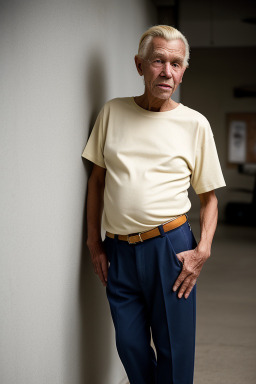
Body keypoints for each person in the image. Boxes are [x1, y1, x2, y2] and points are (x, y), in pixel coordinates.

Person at [81, 25, 226, 384]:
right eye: (158, 61)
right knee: (130, 346)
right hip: (120, 250)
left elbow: (209, 199)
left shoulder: (195, 124)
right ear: (139, 65)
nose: (167, 72)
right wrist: (94, 242)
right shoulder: (112, 113)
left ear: (183, 71)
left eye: (176, 64)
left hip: (171, 249)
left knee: (175, 353)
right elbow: (97, 180)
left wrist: (202, 250)